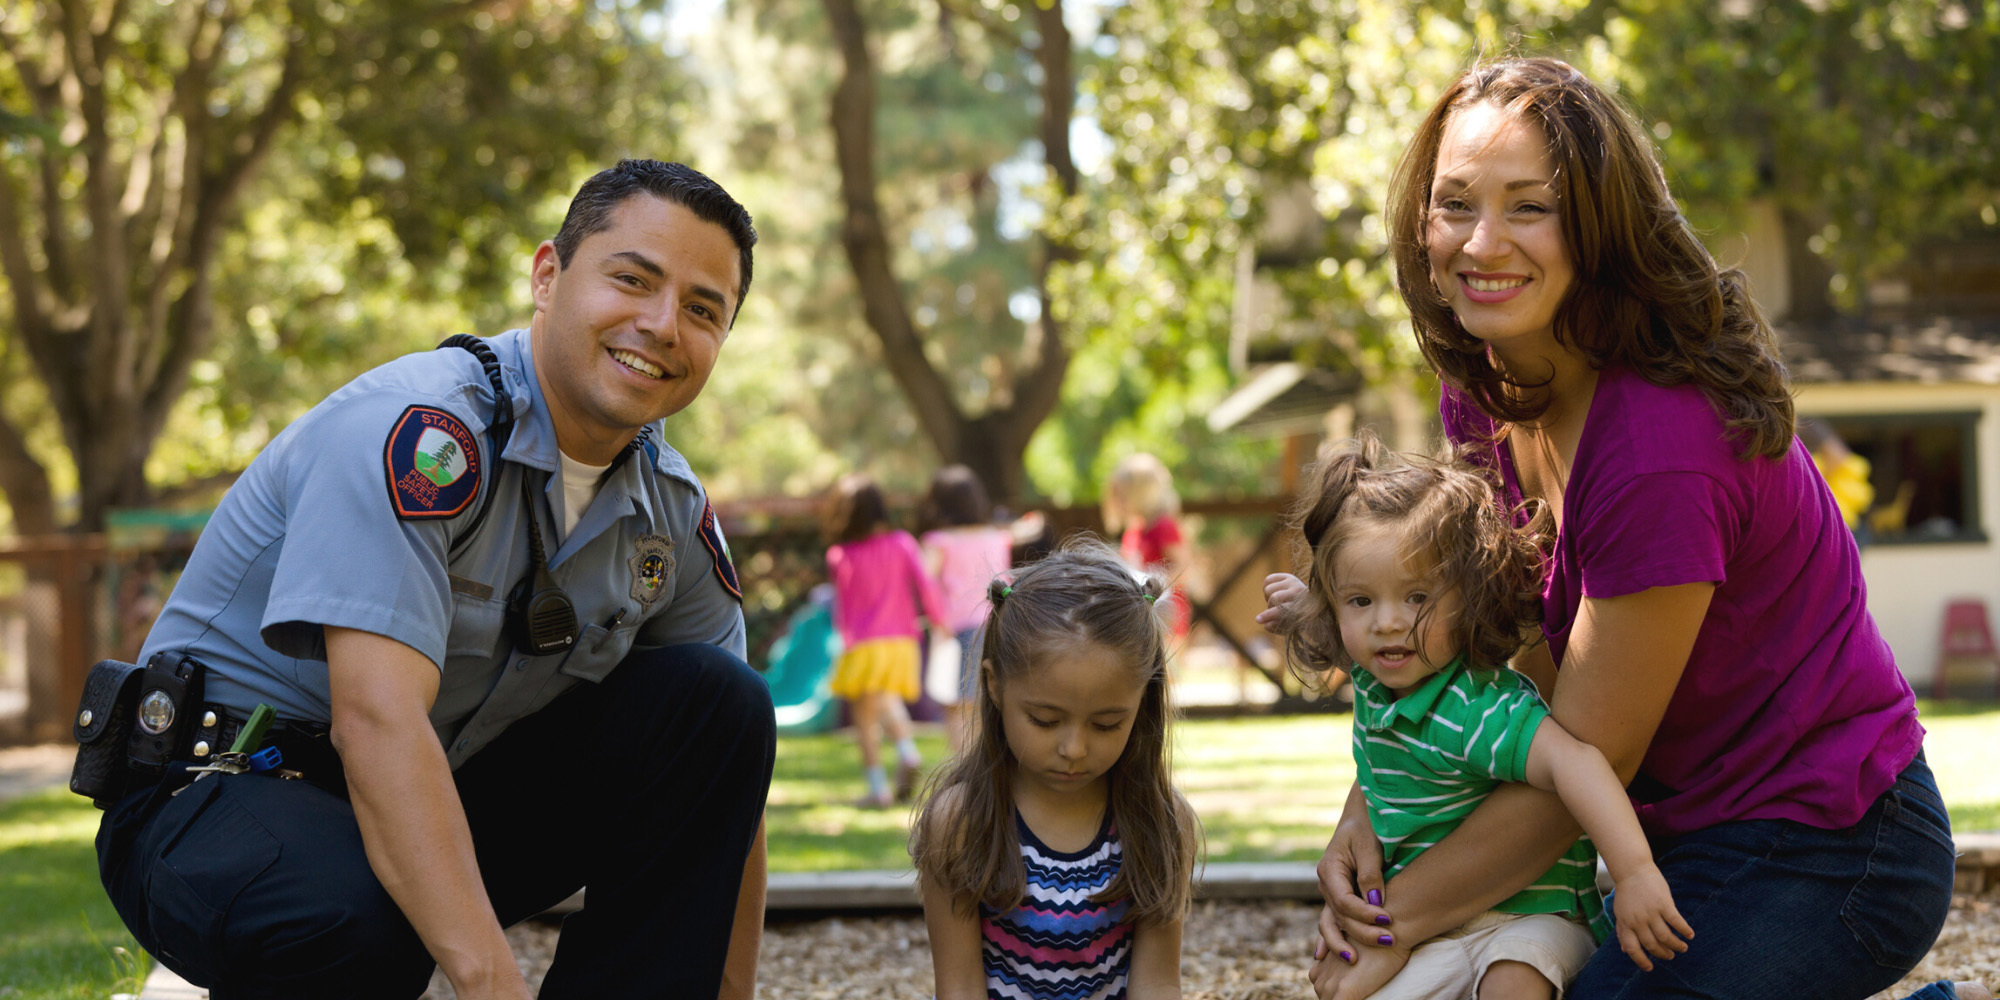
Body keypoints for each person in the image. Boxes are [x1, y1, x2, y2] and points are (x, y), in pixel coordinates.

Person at [1302, 57, 1974, 1000]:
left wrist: (1391, 920)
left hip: (1835, 845)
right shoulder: (1487, 389)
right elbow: (1506, 656)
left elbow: (1589, 746)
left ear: (1598, 228)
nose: (1481, 242)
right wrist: (1369, 810)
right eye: (1455, 202)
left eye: (1528, 207)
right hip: (1666, 834)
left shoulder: (1661, 443)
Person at [92, 160, 775, 1000]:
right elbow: (376, 723)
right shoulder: (417, 434)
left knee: (721, 701)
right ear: (548, 276)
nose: (664, 325)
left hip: (424, 793)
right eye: (632, 280)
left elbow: (726, 783)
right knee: (352, 921)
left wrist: (730, 991)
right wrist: (492, 985)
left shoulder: (668, 506)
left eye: (704, 310)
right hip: (217, 789)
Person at [1260, 435, 1692, 1000]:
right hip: (1439, 927)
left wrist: (1633, 873)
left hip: (1532, 921)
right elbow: (1344, 637)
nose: (1388, 623)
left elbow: (1578, 761)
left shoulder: (1476, 709)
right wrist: (1305, 607)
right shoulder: (1379, 674)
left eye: (1416, 598)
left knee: (1511, 981)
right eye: (1362, 600)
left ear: (1468, 598)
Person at [910, 537, 1201, 1000]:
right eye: (1045, 720)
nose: (1074, 748)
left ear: (1142, 702)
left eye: (1107, 723)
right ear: (995, 686)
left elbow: (1159, 982)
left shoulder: (1159, 824)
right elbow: (960, 986)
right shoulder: (962, 823)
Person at [824, 472, 951, 808]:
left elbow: (844, 608)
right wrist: (939, 622)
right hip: (902, 640)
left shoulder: (840, 555)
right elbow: (926, 586)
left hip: (863, 643)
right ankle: (904, 754)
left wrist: (843, 642)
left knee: (865, 716)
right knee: (884, 698)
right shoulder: (903, 543)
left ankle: (881, 782)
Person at [917, 464, 1016, 752]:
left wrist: (936, 619)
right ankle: (979, 771)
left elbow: (923, 584)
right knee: (984, 704)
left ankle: (963, 774)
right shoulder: (997, 537)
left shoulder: (938, 542)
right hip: (996, 624)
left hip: (954, 631)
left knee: (956, 706)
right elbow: (1004, 579)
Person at [1103, 453, 1193, 642]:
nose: (1118, 502)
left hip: (1165, 613)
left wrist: (1152, 584)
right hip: (1144, 613)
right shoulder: (1135, 530)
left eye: (1123, 496)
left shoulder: (1163, 526)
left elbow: (1183, 570)